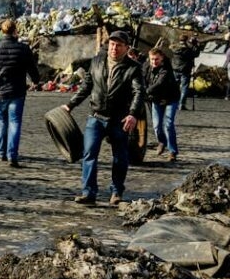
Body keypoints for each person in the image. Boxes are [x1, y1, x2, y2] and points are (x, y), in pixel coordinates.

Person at [63, 30, 145, 206]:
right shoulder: (96, 62)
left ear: (126, 48)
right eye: (112, 44)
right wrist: (70, 105)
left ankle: (116, 192)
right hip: (96, 116)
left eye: (119, 45)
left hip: (119, 119)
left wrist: (132, 114)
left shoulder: (133, 68)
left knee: (120, 157)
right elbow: (86, 87)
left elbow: (139, 92)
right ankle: (88, 192)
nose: (114, 48)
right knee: (89, 154)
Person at [0, 18, 39, 167]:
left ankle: (1, 152)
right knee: (15, 123)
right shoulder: (23, 49)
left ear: (2, 31)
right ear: (15, 31)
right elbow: (32, 68)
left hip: (0, 92)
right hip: (18, 91)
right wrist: (36, 81)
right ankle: (12, 155)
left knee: (2, 122)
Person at [143, 46, 180, 162]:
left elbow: (159, 83)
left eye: (156, 59)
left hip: (171, 99)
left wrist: (146, 91)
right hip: (156, 99)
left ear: (162, 58)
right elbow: (141, 79)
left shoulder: (166, 69)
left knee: (168, 124)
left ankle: (173, 151)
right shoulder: (146, 67)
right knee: (157, 126)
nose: (154, 62)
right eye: (152, 59)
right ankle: (162, 141)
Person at [171, 36, 200, 108]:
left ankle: (173, 102)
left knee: (175, 86)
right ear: (186, 40)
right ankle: (181, 104)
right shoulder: (188, 49)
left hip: (175, 68)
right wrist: (196, 45)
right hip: (185, 69)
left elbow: (171, 46)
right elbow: (196, 54)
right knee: (184, 87)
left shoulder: (175, 48)